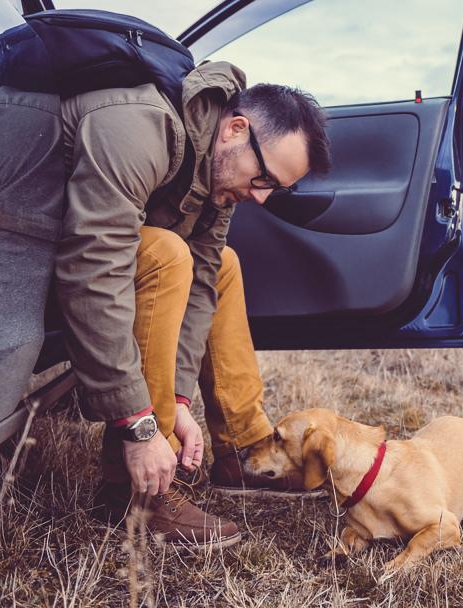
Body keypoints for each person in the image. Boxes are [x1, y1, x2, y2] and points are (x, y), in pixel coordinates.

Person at [55, 61, 331, 547]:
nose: (261, 199)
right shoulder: (140, 126)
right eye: (264, 178)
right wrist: (140, 427)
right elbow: (92, 267)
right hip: (38, 255)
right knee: (166, 253)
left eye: (275, 189)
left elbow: (201, 285)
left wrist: (179, 400)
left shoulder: (216, 182)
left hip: (93, 259)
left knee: (221, 264)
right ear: (235, 128)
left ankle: (243, 450)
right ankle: (134, 490)